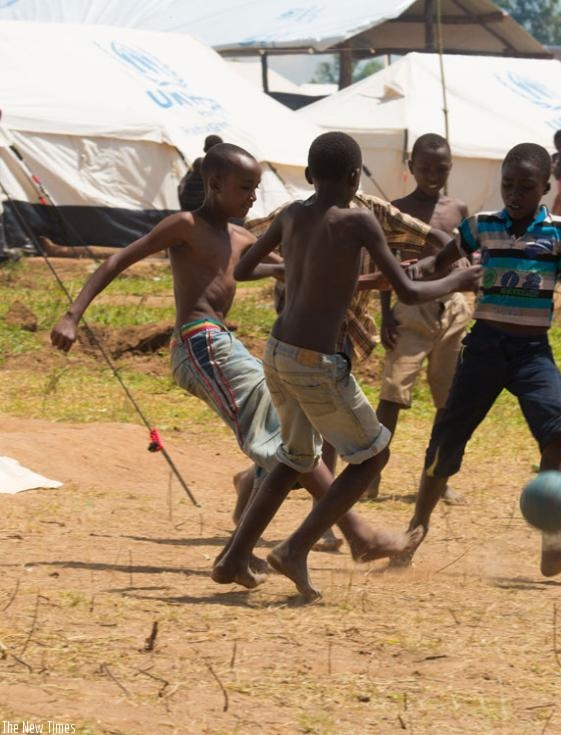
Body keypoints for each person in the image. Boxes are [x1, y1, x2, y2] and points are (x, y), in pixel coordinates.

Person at [50, 142, 413, 570]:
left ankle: (250, 509)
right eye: (244, 187)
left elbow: (302, 271)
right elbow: (118, 260)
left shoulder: (242, 237)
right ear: (214, 183)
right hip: (199, 342)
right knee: (282, 436)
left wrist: (376, 281)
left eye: (256, 188)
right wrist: (73, 315)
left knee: (289, 433)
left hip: (222, 342)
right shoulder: (184, 225)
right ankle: (355, 532)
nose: (252, 197)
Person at [211, 132, 481, 600]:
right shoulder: (359, 221)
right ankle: (295, 547)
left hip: (278, 352)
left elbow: (241, 268)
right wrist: (462, 277)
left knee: (294, 458)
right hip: (317, 361)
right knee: (373, 456)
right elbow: (409, 292)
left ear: (311, 176)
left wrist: (292, 270)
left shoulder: (293, 214)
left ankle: (234, 556)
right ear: (356, 178)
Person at [390, 142, 561, 576]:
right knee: (447, 438)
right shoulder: (479, 226)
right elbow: (439, 266)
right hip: (484, 348)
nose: (515, 193)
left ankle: (553, 547)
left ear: (545, 187)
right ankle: (415, 530)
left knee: (556, 434)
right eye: (508, 184)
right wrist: (413, 271)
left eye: (526, 186)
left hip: (532, 353)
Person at [370, 133, 472, 502]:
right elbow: (384, 264)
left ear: (449, 168)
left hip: (453, 308)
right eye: (425, 168)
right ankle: (370, 475)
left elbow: (470, 252)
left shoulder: (457, 208)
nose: (433, 174)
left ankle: (438, 477)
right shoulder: (396, 209)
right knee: (393, 394)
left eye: (440, 168)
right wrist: (385, 315)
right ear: (411, 167)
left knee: (449, 401)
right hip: (411, 310)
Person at [177, 134, 224, 211]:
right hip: (199, 207)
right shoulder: (214, 166)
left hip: (186, 204)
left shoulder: (198, 162)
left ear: (205, 149)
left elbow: (180, 186)